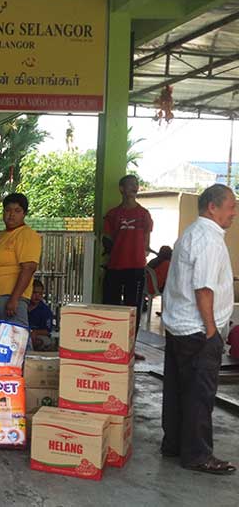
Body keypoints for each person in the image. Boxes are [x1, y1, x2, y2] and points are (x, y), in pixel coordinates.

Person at [161, 184, 236, 475]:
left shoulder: (191, 233)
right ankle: (197, 455)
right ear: (212, 208)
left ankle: (174, 444)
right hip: (197, 329)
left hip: (179, 326)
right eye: (230, 206)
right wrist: (211, 330)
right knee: (199, 394)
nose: (234, 212)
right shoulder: (208, 239)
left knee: (177, 390)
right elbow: (204, 288)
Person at [0, 193, 41, 327]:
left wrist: (15, 299)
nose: (11, 215)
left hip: (11, 295)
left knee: (15, 335)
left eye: (17, 211)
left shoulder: (26, 234)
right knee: (1, 336)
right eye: (8, 210)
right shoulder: (2, 235)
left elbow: (29, 268)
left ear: (24, 214)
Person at [103, 175, 153, 321]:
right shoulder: (113, 214)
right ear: (121, 189)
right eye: (131, 184)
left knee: (133, 309)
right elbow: (107, 239)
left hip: (136, 268)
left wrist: (143, 252)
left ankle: (131, 336)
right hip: (115, 267)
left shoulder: (144, 214)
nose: (134, 187)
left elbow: (147, 240)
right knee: (111, 306)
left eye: (136, 184)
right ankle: (113, 334)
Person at [28, 279, 54, 350]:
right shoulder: (22, 306)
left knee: (42, 342)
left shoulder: (45, 310)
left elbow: (47, 330)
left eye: (40, 294)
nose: (37, 296)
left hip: (38, 336)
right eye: (34, 293)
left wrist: (35, 332)